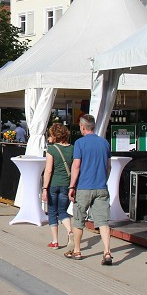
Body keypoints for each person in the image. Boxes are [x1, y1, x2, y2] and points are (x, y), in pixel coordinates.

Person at [68, 114, 114, 265]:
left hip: (83, 187)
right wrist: (103, 180)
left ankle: (77, 250)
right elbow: (109, 167)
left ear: (82, 126)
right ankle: (107, 252)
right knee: (103, 221)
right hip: (101, 187)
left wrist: (72, 186)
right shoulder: (104, 143)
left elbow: (76, 166)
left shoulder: (80, 143)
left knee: (79, 220)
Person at [42, 122, 74, 251]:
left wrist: (45, 188)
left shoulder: (52, 149)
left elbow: (48, 170)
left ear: (54, 135)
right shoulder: (73, 148)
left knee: (52, 212)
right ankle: (70, 231)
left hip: (53, 184)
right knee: (62, 211)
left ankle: (55, 241)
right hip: (67, 184)